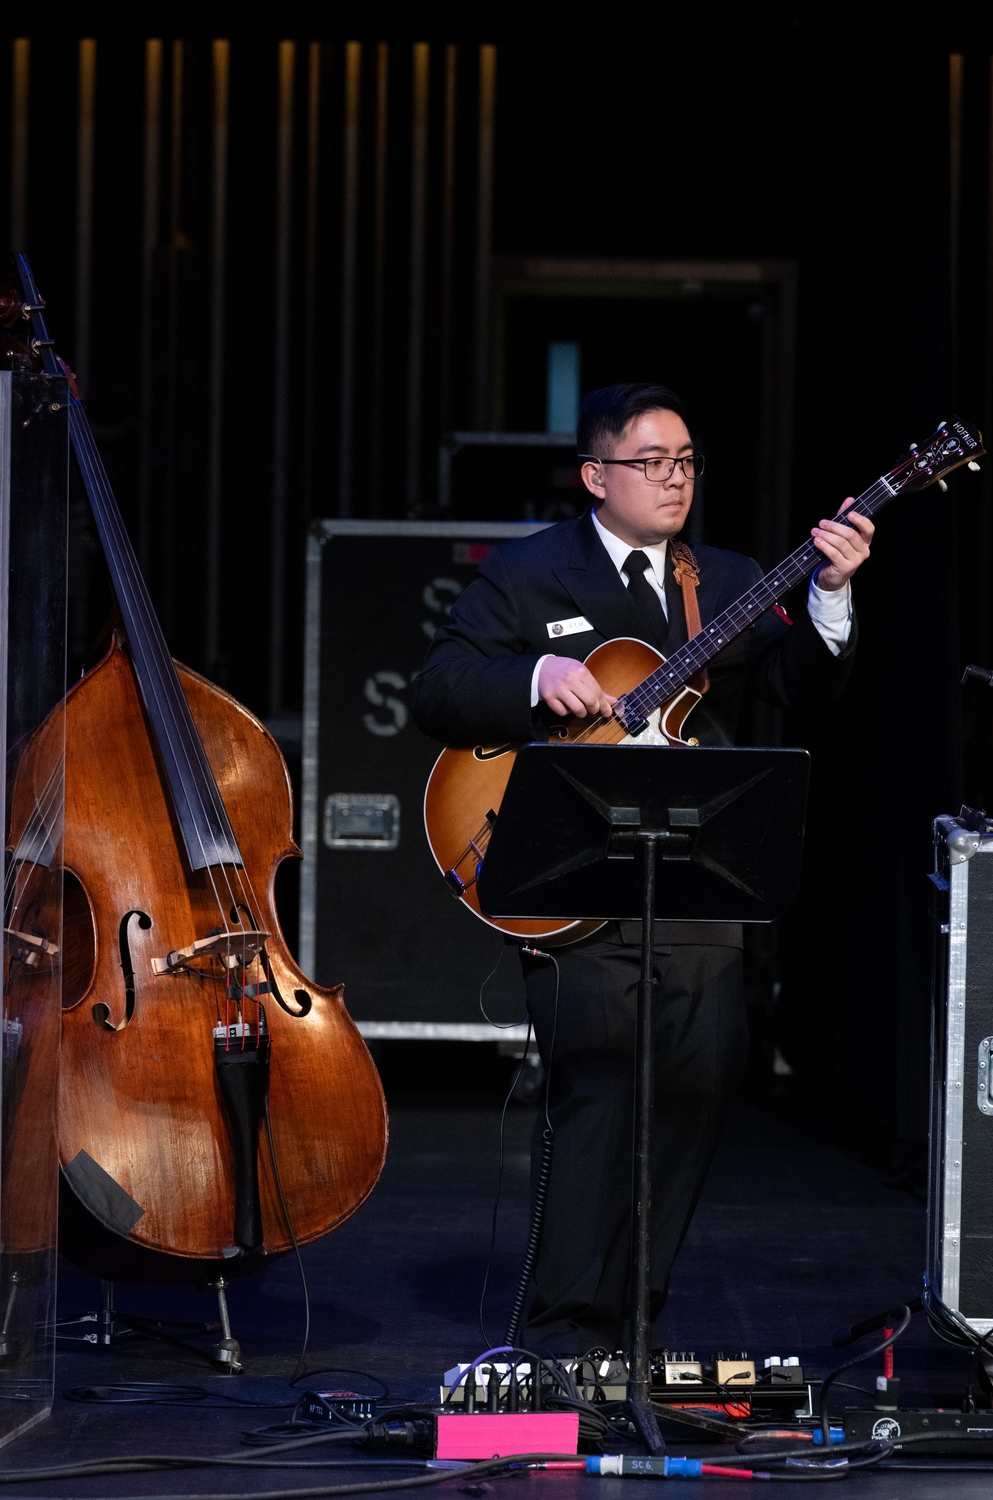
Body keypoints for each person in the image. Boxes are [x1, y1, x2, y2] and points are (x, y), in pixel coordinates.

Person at [411, 382, 872, 1355]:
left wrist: (828, 598)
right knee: (599, 1095)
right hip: (575, 875)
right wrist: (533, 679)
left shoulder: (728, 575)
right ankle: (559, 1339)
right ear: (595, 475)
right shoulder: (530, 572)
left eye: (687, 462)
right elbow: (440, 688)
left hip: (696, 874)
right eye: (651, 463)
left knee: (700, 1083)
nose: (674, 480)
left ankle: (630, 1332)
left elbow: (798, 689)